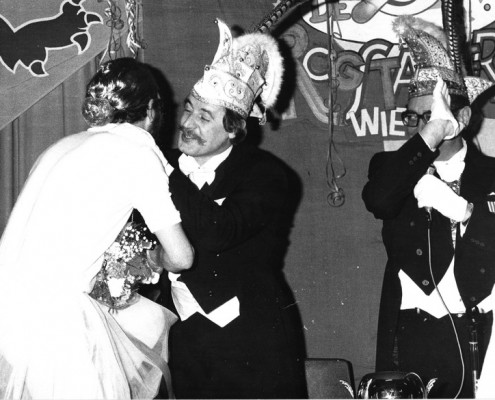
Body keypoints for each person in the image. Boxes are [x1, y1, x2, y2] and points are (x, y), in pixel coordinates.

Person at [0, 57, 194, 399]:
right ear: (151, 110)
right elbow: (182, 257)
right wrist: (154, 257)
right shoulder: (137, 152)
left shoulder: (60, 146)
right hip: (51, 322)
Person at [158, 19, 308, 399]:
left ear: (233, 129)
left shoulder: (266, 175)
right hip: (181, 340)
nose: (187, 123)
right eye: (189, 110)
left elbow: (217, 231)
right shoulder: (164, 163)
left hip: (252, 344)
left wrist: (163, 170)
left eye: (204, 117)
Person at [362, 16, 495, 398]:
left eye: (430, 117)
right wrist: (432, 134)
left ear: (463, 118)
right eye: (413, 118)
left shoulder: (492, 174)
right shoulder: (392, 168)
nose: (420, 127)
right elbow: (380, 200)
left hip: (479, 332)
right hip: (412, 334)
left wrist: (465, 212)